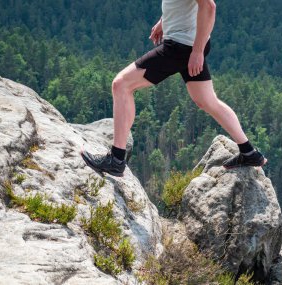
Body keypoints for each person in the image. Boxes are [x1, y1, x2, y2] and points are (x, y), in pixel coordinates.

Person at [81, 0, 267, 177]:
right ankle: (249, 152)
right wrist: (164, 22)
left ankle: (116, 159)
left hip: (181, 48)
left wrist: (197, 51)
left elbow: (209, 7)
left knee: (121, 85)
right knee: (207, 100)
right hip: (186, 44)